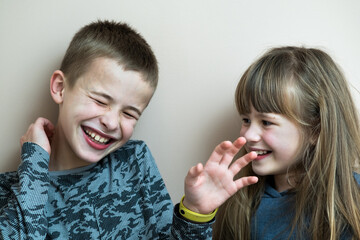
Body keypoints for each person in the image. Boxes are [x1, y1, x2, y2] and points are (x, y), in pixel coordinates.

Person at [0, 20, 259, 239]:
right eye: (100, 100)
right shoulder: (11, 188)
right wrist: (34, 165)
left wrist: (195, 211)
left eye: (129, 113)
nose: (112, 122)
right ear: (60, 87)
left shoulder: (134, 161)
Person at [213, 46, 360, 240]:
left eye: (266, 122)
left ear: (315, 130)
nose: (249, 135)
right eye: (246, 120)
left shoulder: (352, 202)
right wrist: (197, 213)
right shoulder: (240, 201)